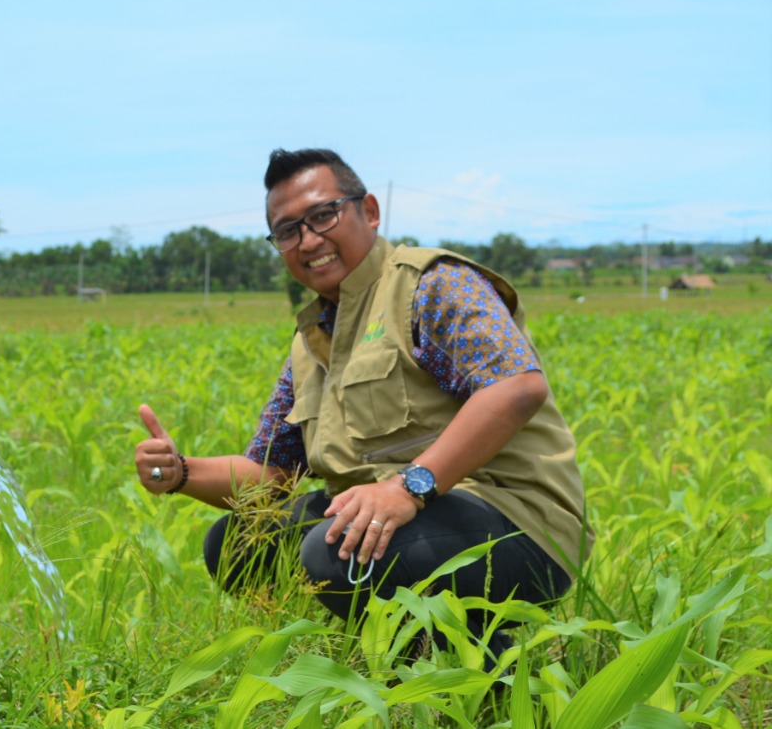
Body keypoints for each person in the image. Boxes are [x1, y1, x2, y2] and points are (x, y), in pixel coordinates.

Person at [134, 148, 591, 653]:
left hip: (515, 522)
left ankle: (499, 686)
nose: (308, 240)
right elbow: (272, 475)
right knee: (239, 543)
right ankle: (400, 656)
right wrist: (178, 472)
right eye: (288, 231)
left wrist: (407, 487)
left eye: (322, 215)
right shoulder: (313, 338)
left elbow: (516, 387)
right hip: (401, 518)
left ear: (368, 211)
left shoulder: (430, 285)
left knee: (336, 554)